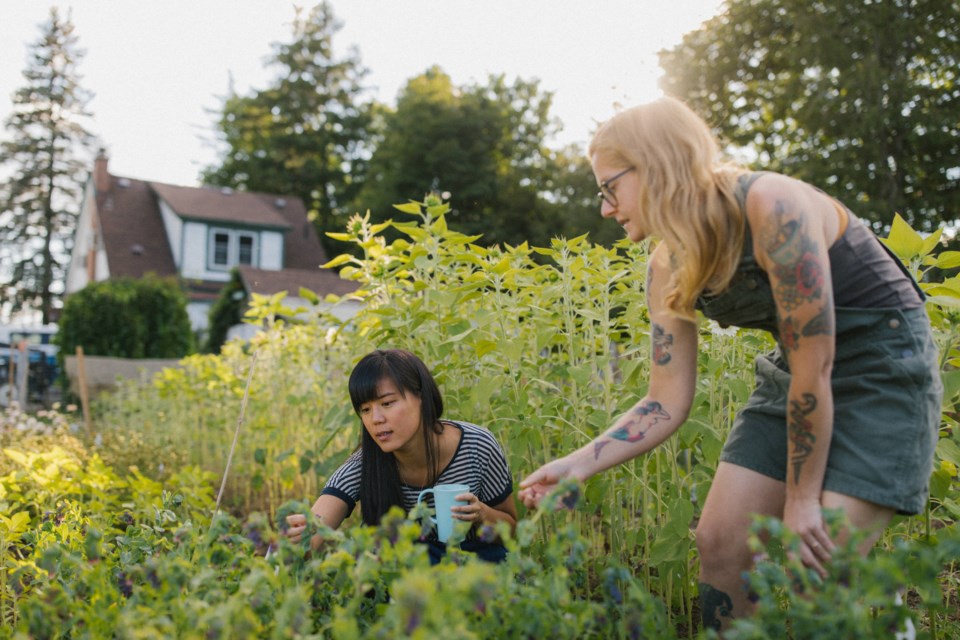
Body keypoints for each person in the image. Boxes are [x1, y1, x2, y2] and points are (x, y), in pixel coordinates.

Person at [518, 96, 942, 632]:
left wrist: (801, 499)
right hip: (795, 375)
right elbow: (664, 399)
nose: (605, 207)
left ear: (656, 166)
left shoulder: (772, 205)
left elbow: (820, 361)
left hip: (884, 368)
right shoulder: (667, 266)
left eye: (610, 187)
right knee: (719, 543)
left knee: (821, 560)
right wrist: (578, 464)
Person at [285, 348, 517, 564]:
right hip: (404, 578)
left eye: (387, 403)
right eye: (365, 410)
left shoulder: (477, 446)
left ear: (422, 397)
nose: (376, 419)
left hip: (474, 567)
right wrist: (300, 537)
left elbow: (512, 530)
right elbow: (315, 532)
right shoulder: (366, 463)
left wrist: (481, 514)